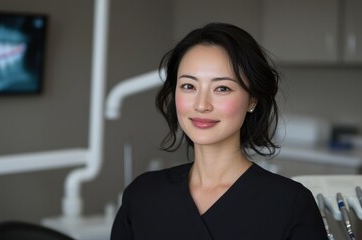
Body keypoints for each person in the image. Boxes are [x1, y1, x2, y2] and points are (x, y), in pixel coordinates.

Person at [110, 22, 327, 240]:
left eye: (222, 88)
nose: (202, 105)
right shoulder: (142, 195)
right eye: (189, 86)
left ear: (252, 99)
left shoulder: (289, 204)